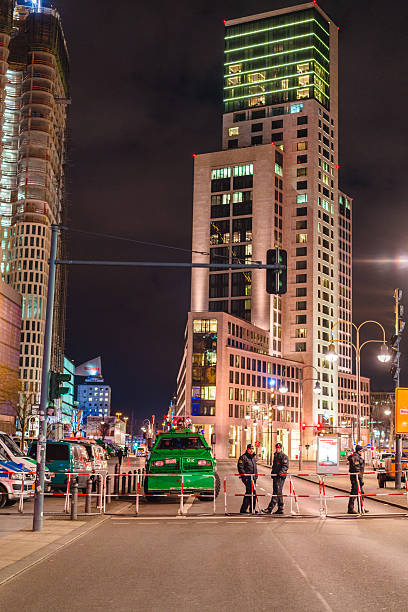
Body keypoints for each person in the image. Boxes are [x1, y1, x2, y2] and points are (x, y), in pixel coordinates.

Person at [262, 442, 289, 514]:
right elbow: (274, 466)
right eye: (277, 448)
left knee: (276, 492)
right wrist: (272, 473)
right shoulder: (276, 456)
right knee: (278, 492)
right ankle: (280, 508)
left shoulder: (283, 456)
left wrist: (281, 473)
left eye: (279, 448)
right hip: (275, 476)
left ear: (281, 448)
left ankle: (270, 508)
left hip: (280, 477)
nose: (277, 449)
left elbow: (285, 466)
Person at [237, 444, 258, 514]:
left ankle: (246, 509)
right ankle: (251, 509)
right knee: (251, 493)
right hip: (247, 478)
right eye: (250, 449)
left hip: (253, 478)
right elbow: (240, 468)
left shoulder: (253, 458)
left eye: (252, 449)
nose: (251, 450)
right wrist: (244, 477)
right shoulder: (243, 457)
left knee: (250, 493)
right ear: (247, 449)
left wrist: (256, 476)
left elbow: (255, 468)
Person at [347, 445, 367, 514]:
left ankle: (361, 508)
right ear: (359, 451)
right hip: (356, 478)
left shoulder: (356, 457)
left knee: (360, 493)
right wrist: (360, 480)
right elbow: (357, 469)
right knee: (354, 493)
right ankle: (351, 509)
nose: (362, 452)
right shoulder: (356, 458)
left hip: (356, 478)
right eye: (361, 451)